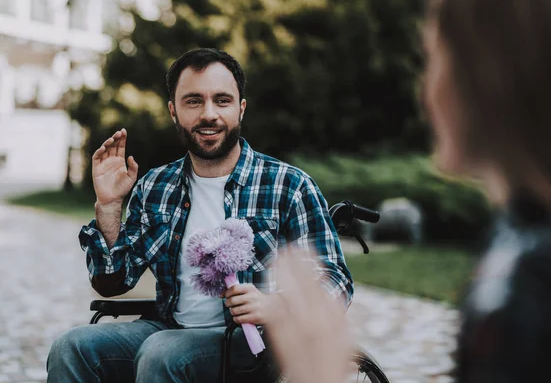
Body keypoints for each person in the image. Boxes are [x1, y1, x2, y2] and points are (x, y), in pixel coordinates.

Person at [267, 0, 551, 382]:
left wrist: (318, 373)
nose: (427, 90)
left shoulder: (547, 279)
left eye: (435, 60)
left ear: (493, 79)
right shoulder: (524, 237)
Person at [46, 48, 353, 383]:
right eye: (193, 101)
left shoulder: (288, 185)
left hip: (255, 344)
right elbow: (112, 281)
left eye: (222, 100)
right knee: (71, 347)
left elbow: (336, 281)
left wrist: (276, 305)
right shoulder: (155, 186)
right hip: (169, 329)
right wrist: (108, 206)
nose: (209, 114)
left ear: (241, 109)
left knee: (162, 353)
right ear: (174, 111)